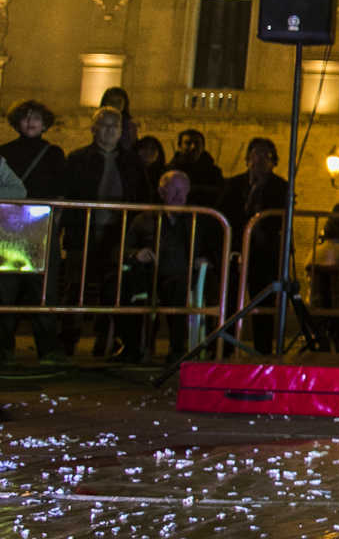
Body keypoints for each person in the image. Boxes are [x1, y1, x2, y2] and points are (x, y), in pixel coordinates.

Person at [59, 107, 153, 358]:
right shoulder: (78, 159)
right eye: (105, 125)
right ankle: (68, 343)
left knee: (111, 289)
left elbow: (142, 196)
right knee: (75, 289)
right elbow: (67, 196)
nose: (110, 130)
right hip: (83, 233)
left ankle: (105, 342)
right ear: (94, 128)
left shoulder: (131, 162)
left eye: (116, 126)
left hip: (118, 236)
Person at [118, 170, 214, 364]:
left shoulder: (196, 219)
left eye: (183, 192)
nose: (179, 197)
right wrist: (135, 254)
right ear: (162, 192)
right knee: (128, 289)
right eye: (174, 191)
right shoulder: (144, 219)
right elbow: (123, 248)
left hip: (181, 275)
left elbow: (211, 249)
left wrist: (204, 259)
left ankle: (177, 349)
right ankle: (134, 347)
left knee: (178, 291)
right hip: (148, 274)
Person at [0, 100, 65, 361]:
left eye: (36, 118)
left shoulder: (53, 153)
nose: (30, 122)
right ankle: (4, 348)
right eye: (26, 117)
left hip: (41, 227)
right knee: (6, 290)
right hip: (8, 228)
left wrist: (56, 223)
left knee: (43, 292)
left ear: (45, 122)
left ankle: (47, 348)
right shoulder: (5, 151)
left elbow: (61, 190)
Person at [216, 137, 289, 354]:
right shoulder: (234, 184)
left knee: (263, 301)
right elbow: (223, 212)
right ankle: (226, 347)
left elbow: (280, 218)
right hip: (236, 248)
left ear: (273, 161)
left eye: (266, 156)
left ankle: (264, 349)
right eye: (256, 154)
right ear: (248, 158)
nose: (260, 160)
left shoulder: (280, 187)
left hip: (264, 252)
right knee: (229, 300)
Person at [166, 128, 225, 208]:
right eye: (188, 143)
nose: (193, 147)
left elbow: (219, 195)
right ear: (179, 146)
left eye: (197, 143)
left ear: (203, 147)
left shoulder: (214, 172)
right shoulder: (169, 171)